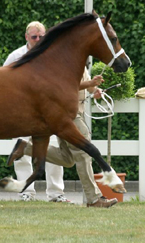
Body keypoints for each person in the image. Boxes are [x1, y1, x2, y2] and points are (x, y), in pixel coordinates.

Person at [7, 69, 119, 208]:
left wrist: (94, 89)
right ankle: (94, 199)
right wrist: (89, 83)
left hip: (71, 113)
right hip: (69, 114)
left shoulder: (80, 61)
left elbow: (85, 86)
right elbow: (66, 86)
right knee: (83, 154)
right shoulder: (67, 59)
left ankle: (27, 147)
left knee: (68, 159)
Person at [3, 21, 72, 203]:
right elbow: (2, 80)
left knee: (52, 153)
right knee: (22, 153)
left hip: (48, 113)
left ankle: (56, 194)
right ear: (27, 37)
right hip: (21, 112)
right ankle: (27, 192)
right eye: (34, 37)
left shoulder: (53, 55)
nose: (38, 39)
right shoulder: (16, 56)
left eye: (41, 36)